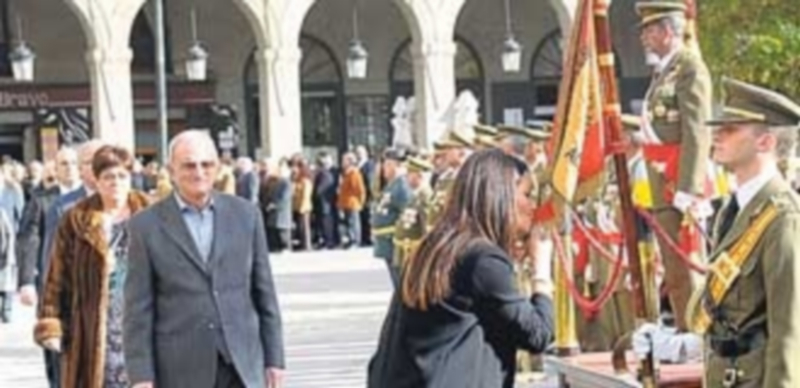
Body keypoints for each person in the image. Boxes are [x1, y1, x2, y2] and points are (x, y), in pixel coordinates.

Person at [634, 78, 800, 387]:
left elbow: (789, 332)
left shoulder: (783, 218)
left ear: (765, 142)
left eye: (731, 129)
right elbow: (731, 314)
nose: (717, 135)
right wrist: (679, 345)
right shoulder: (732, 209)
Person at [368, 149, 554, 388]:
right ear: (502, 195)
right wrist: (542, 267)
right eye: (526, 195)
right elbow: (537, 335)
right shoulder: (483, 259)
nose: (532, 206)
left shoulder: (439, 245)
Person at [124, 130, 284, 388]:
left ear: (217, 167)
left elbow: (265, 294)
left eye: (206, 164)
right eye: (189, 165)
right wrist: (141, 376)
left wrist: (275, 359)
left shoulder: (246, 216)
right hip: (180, 369)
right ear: (171, 171)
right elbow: (138, 310)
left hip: (243, 364)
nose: (199, 172)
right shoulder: (146, 226)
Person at [33, 145, 150, 388]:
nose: (115, 182)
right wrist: (51, 322)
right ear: (96, 180)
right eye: (108, 177)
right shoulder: (76, 219)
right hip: (92, 328)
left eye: (121, 176)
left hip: (143, 325)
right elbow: (57, 277)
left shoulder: (152, 215)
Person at [635, 0, 713, 332]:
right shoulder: (665, 70)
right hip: (663, 182)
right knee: (674, 267)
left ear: (668, 31)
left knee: (688, 263)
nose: (643, 38)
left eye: (649, 30)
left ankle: (699, 332)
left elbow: (697, 131)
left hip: (679, 183)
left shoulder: (689, 67)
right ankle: (686, 329)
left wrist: (688, 188)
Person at [372, 148, 412, 288]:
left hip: (395, 242)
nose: (384, 168)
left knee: (400, 281)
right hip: (387, 242)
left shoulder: (401, 186)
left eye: (388, 164)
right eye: (385, 164)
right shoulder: (392, 185)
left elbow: (407, 213)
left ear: (397, 165)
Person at [392, 155, 433, 270]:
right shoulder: (415, 194)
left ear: (419, 176)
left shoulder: (424, 195)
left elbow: (426, 223)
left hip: (414, 250)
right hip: (407, 249)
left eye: (410, 174)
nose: (406, 177)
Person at [337, 152, 366, 248]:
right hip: (345, 202)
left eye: (344, 160)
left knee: (353, 222)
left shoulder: (354, 173)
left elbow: (359, 189)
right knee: (348, 223)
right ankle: (350, 239)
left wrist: (360, 202)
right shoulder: (346, 173)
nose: (342, 162)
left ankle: (355, 241)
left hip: (352, 202)